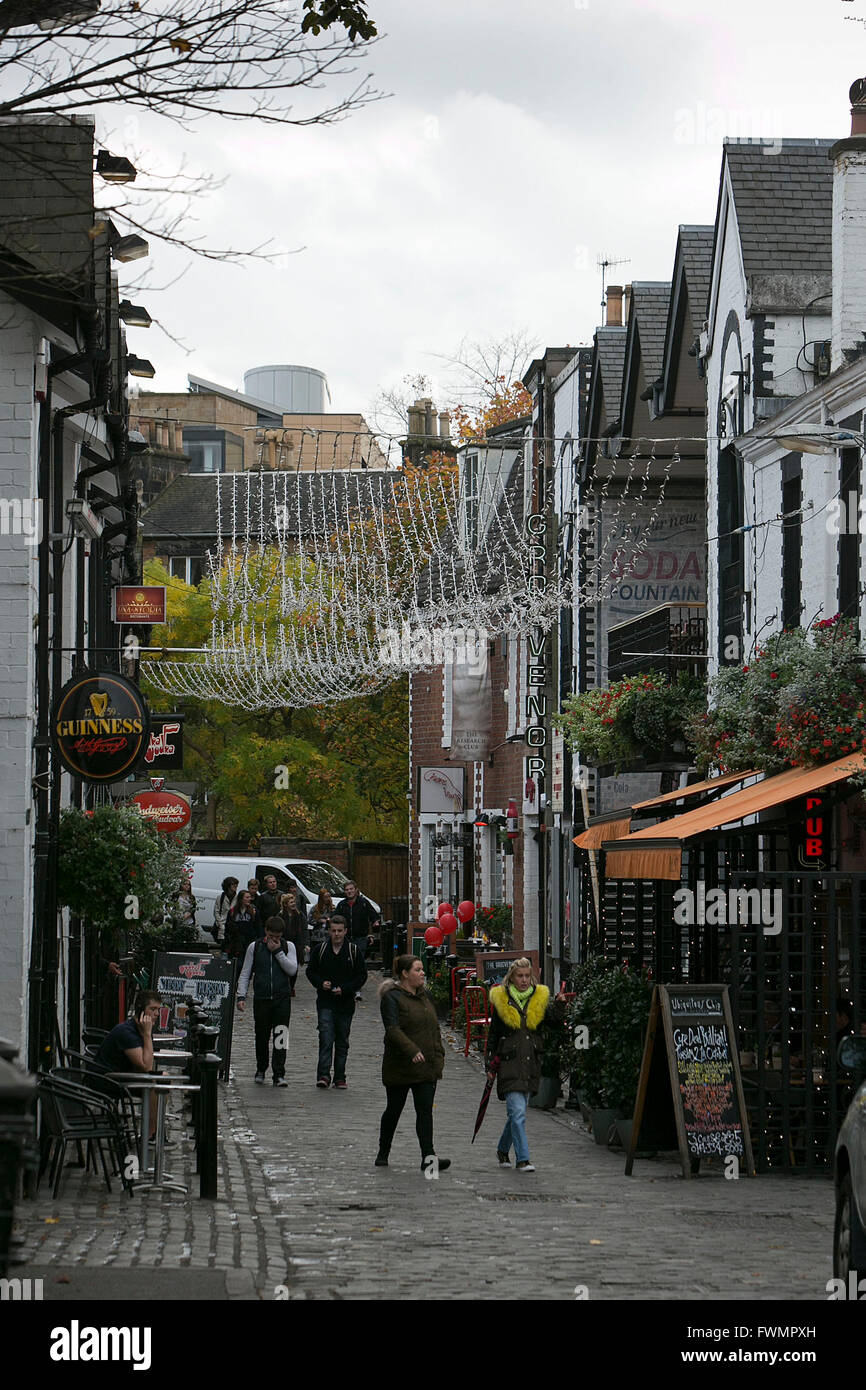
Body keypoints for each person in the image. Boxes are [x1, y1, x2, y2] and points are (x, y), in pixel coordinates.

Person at [486, 958, 567, 1173]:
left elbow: (554, 1023)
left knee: (516, 1114)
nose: (523, 980)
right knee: (519, 1113)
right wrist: (489, 1064)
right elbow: (493, 1034)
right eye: (519, 976)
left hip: (531, 1063)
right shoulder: (502, 1000)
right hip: (509, 1063)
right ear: (511, 977)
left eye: (526, 976)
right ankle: (523, 1159)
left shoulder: (538, 999)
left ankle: (503, 1149)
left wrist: (559, 1004)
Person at [376, 954, 448, 1173]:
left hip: (426, 1064)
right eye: (418, 970)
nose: (422, 973)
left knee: (425, 1111)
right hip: (400, 1065)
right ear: (405, 974)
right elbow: (393, 1029)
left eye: (422, 969)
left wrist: (438, 1054)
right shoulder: (392, 998)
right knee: (394, 1109)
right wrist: (411, 1050)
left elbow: (434, 1027)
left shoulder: (425, 996)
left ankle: (428, 1156)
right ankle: (383, 1152)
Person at [306, 916, 367, 1089]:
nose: (337, 934)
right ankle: (324, 1075)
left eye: (340, 931)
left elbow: (361, 975)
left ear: (345, 931)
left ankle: (340, 1076)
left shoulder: (353, 951)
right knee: (325, 1037)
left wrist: (346, 989)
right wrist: (320, 983)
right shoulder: (321, 949)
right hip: (325, 1001)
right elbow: (311, 971)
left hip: (345, 1003)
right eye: (333, 931)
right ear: (329, 931)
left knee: (342, 1040)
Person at [236, 916, 298, 1086]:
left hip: (282, 999)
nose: (275, 940)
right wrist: (241, 996)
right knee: (261, 1036)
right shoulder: (255, 947)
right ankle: (261, 1068)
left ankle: (279, 1073)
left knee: (281, 1035)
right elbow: (245, 972)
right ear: (266, 932)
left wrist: (278, 953)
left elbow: (292, 970)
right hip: (262, 998)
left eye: (278, 937)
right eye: (272, 936)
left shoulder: (288, 946)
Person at [93, 991, 163, 1074]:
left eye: (158, 1009)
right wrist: (147, 1035)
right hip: (109, 1081)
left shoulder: (143, 1027)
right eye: (153, 1009)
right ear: (141, 1010)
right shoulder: (127, 1032)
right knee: (164, 1078)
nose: (157, 1014)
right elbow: (146, 1067)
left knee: (164, 1077)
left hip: (125, 1075)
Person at [334, 879, 380, 1000]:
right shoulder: (342, 905)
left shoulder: (363, 903)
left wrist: (375, 924)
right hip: (346, 938)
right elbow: (335, 918)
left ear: (356, 890)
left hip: (360, 937)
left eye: (351, 889)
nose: (349, 892)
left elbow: (374, 916)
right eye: (347, 890)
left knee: (358, 962)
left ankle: (357, 989)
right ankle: (347, 986)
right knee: (346, 962)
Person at [279, 889, 307, 980]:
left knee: (294, 967)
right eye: (291, 902)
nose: (294, 904)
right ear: (286, 904)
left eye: (294, 902)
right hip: (284, 943)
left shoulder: (300, 915)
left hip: (296, 944)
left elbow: (304, 930)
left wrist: (306, 944)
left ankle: (291, 987)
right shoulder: (280, 916)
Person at [227, 889, 260, 962]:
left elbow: (258, 926)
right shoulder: (233, 911)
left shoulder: (254, 911)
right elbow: (228, 926)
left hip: (249, 940)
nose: (249, 899)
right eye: (247, 897)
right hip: (236, 942)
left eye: (250, 897)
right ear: (241, 899)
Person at [213, 875, 239, 944]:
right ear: (228, 886)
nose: (235, 886)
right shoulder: (220, 897)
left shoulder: (238, 898)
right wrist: (220, 922)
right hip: (222, 925)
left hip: (233, 925)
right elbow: (216, 911)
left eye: (236, 884)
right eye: (233, 884)